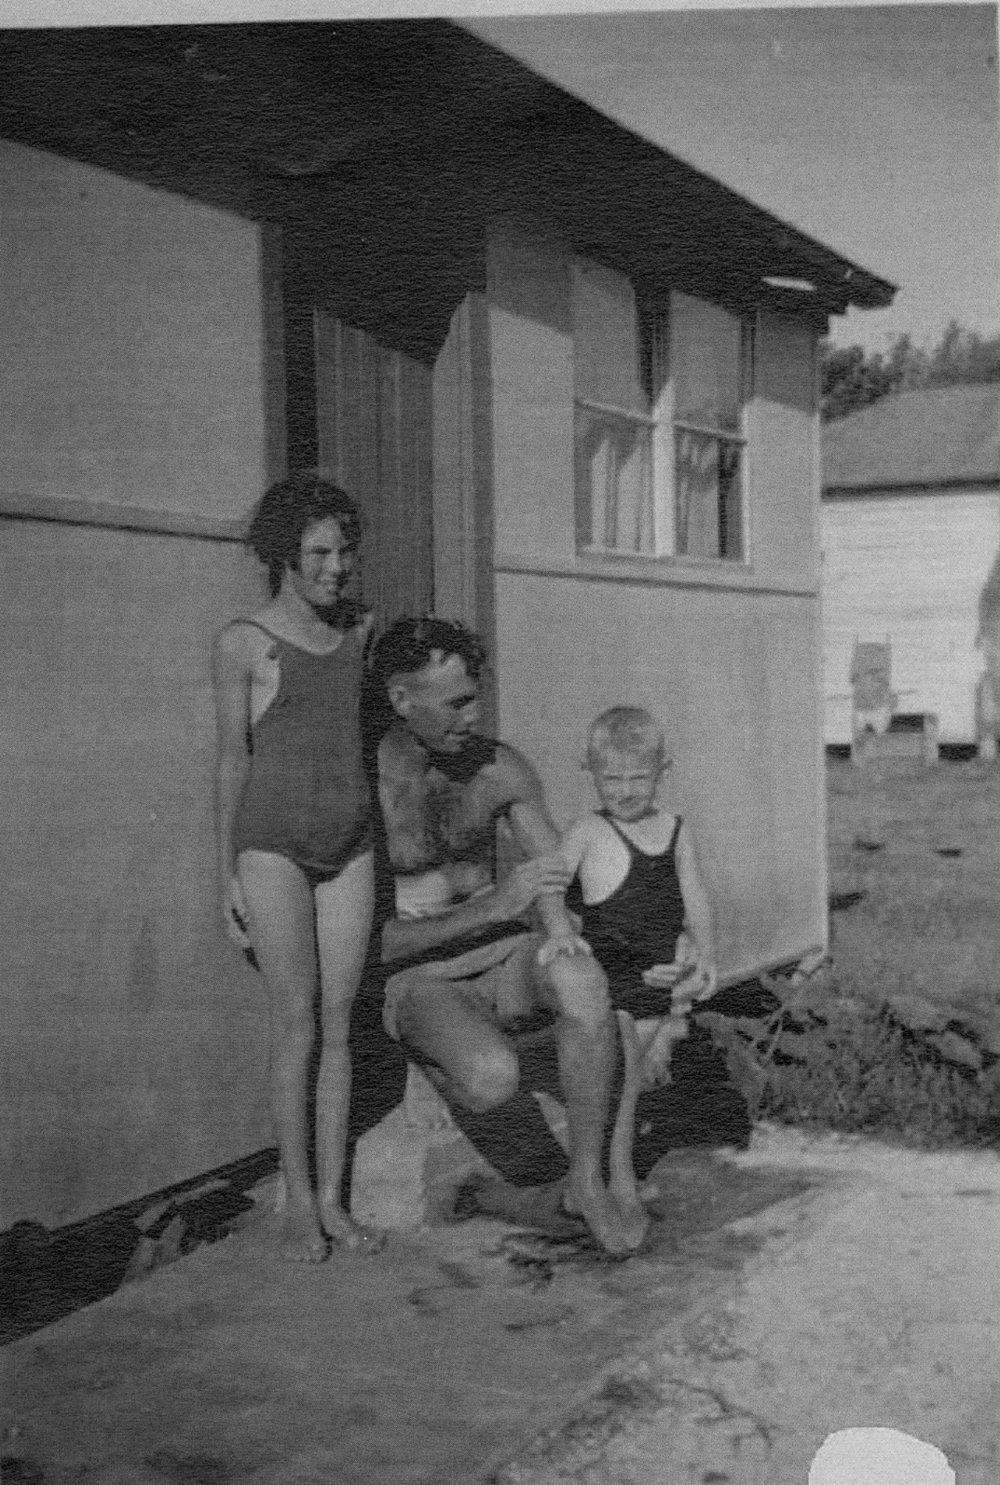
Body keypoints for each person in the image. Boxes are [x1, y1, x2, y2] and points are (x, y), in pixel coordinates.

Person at [370, 617, 646, 1255]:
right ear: (401, 700)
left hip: (505, 959)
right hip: (421, 979)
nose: (473, 717)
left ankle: (584, 1182)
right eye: (455, 704)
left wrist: (568, 932)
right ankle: (551, 1061)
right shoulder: (366, 790)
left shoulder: (498, 769)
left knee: (581, 977)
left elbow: (553, 881)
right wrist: (495, 905)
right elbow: (371, 948)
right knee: (493, 1079)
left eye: (475, 698)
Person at [212, 472, 381, 1262]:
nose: (336, 567)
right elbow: (231, 760)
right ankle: (298, 1201)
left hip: (351, 846)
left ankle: (335, 1199)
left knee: (342, 1024)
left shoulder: (361, 631)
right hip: (272, 846)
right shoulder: (243, 642)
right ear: (284, 555)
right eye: (319, 552)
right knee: (297, 1019)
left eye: (344, 551)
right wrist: (226, 875)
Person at [554, 706, 718, 1223]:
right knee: (620, 1080)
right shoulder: (587, 830)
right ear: (590, 772)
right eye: (611, 780)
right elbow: (550, 888)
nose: (624, 792)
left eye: (638, 779)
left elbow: (695, 896)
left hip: (655, 978)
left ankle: (601, 1176)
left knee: (629, 1083)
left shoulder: (675, 830)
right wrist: (561, 934)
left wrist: (706, 952)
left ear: (663, 772)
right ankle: (615, 1180)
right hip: (608, 978)